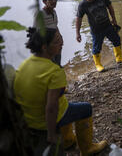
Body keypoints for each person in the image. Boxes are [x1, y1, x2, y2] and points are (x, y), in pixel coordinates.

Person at [13, 27, 107, 155]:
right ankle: (87, 149)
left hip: (29, 118)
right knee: (86, 108)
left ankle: (68, 141)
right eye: (57, 41)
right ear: (44, 47)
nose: (62, 43)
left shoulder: (23, 65)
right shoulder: (54, 71)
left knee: (64, 101)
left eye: (61, 38)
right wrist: (51, 134)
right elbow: (51, 108)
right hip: (44, 121)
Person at [76, 0, 122, 72]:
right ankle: (98, 65)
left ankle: (119, 58)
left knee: (116, 40)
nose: (87, 0)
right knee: (96, 47)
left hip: (108, 25)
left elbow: (110, 7)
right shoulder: (83, 4)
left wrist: (114, 19)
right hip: (96, 30)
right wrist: (78, 33)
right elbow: (78, 19)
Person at [33, 0, 62, 66]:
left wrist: (60, 37)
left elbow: (55, 26)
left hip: (57, 45)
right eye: (51, 0)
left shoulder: (54, 12)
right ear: (44, 2)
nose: (54, 1)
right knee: (50, 68)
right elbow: (35, 32)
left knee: (57, 66)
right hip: (47, 48)